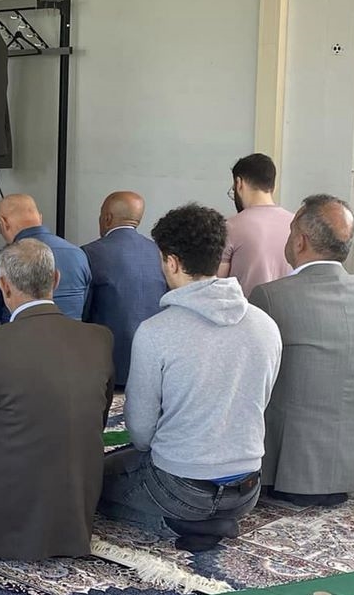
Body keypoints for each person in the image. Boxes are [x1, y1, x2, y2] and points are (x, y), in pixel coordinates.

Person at [100, 203, 282, 551]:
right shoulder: (266, 325)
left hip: (180, 488)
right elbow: (259, 403)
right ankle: (211, 518)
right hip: (248, 489)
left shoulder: (156, 331)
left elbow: (141, 432)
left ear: (171, 262)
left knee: (93, 484)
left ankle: (177, 523)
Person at [0, 238, 114, 560]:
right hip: (73, 511)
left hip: (0, 525)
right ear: (56, 279)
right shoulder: (99, 339)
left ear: (3, 285)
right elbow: (98, 419)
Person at [248, 195, 354, 507]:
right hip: (352, 464)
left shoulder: (270, 296)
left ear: (300, 241)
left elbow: (249, 372)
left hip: (287, 466)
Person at [83, 190, 167, 389]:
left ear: (107, 218)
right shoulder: (160, 253)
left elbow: (83, 311)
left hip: (107, 366)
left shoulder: (90, 253)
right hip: (152, 367)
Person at [0, 193, 90, 331]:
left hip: (18, 341)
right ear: (40, 218)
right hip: (72, 341)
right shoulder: (78, 255)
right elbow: (86, 309)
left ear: (2, 223)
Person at [219, 152, 294, 296]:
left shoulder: (230, 227)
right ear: (274, 186)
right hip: (288, 308)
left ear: (239, 183)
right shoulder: (296, 224)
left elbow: (218, 284)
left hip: (247, 309)